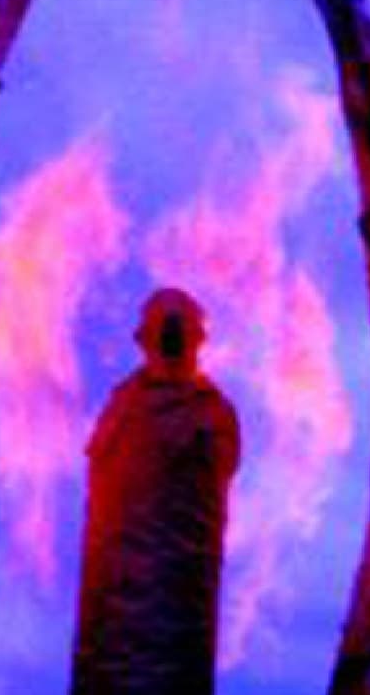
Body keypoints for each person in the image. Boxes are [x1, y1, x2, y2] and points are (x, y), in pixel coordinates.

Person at [69, 287, 240, 695]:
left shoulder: (210, 413)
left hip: (175, 615)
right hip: (110, 610)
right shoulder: (123, 405)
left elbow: (209, 498)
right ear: (144, 338)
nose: (170, 341)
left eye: (178, 330)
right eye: (163, 330)